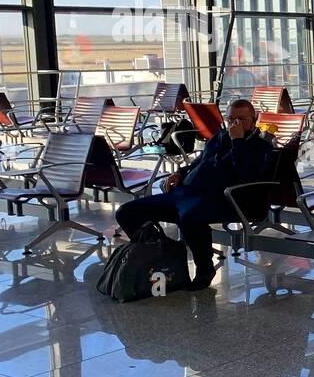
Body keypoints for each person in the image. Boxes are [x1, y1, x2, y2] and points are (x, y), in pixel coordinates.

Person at [116, 98, 276, 291]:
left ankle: (205, 270)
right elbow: (200, 162)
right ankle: (163, 251)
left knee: (190, 217)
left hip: (222, 198)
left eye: (241, 119)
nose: (235, 124)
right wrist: (180, 173)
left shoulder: (260, 147)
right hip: (186, 193)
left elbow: (245, 174)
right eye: (231, 119)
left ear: (254, 119)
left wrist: (238, 141)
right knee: (126, 212)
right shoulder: (220, 137)